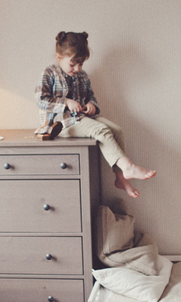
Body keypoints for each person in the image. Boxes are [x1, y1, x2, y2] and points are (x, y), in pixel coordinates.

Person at [35, 31, 155, 198]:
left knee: (117, 130)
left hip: (82, 118)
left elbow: (90, 96)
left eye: (81, 64)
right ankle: (128, 167)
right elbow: (41, 100)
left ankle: (120, 178)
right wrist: (66, 102)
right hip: (61, 124)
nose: (77, 69)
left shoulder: (83, 76)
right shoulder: (50, 73)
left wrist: (92, 105)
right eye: (73, 64)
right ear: (59, 57)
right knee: (100, 130)